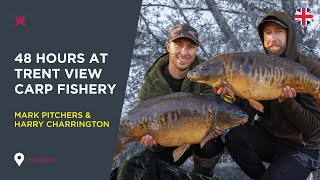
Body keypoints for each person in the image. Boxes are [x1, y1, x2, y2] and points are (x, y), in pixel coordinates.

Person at [217, 11, 320, 180]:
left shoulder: (310, 69)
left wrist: (288, 102)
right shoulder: (255, 67)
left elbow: (313, 129)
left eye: (278, 31)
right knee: (235, 137)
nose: (273, 38)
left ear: (289, 35)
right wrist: (236, 94)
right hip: (270, 139)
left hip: (301, 147)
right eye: (268, 33)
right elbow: (246, 120)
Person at [115, 23, 225, 180]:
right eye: (178, 45)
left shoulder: (206, 72)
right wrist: (147, 139)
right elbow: (141, 116)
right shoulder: (152, 82)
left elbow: (217, 104)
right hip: (165, 139)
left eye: (190, 47)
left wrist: (217, 126)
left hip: (198, 135)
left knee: (212, 143)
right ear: (168, 46)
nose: (184, 52)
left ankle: (203, 175)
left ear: (196, 50)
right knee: (148, 166)